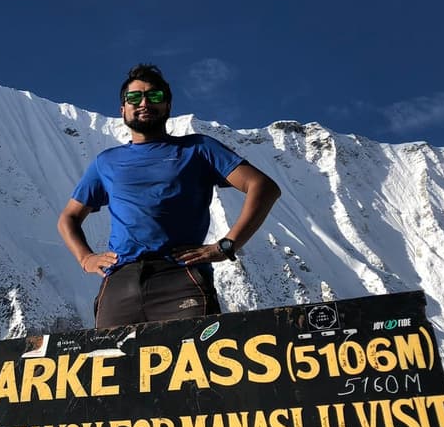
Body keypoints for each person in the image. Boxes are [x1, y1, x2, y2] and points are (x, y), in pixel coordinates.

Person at [57, 64, 281, 329]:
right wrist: (86, 258)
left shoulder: (198, 149)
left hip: (180, 275)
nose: (143, 103)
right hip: (119, 281)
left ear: (167, 106)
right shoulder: (106, 162)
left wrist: (227, 245)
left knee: (193, 363)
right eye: (134, 97)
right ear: (123, 110)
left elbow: (263, 187)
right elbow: (68, 218)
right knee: (113, 365)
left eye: (154, 96)